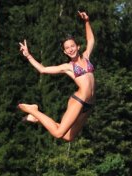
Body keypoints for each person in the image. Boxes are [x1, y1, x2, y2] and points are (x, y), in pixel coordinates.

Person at [18, 11, 95, 141]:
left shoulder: (86, 57)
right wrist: (28, 55)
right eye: (67, 48)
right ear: (64, 52)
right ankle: (34, 110)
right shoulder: (68, 67)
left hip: (90, 104)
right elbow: (42, 69)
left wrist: (86, 21)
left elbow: (91, 40)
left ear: (78, 46)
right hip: (79, 101)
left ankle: (36, 119)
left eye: (72, 46)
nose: (71, 49)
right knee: (59, 133)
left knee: (68, 137)